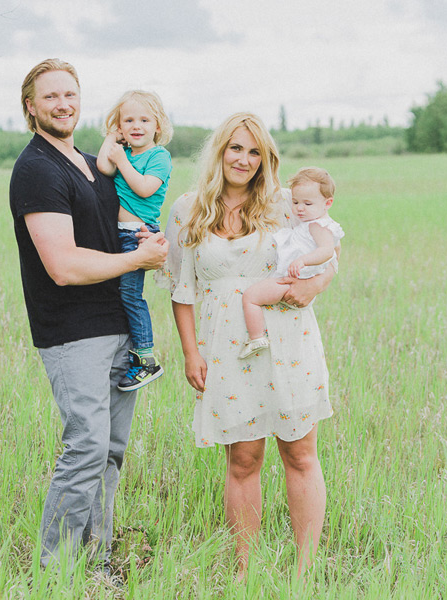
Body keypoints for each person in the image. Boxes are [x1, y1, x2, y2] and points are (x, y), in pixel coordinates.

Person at [156, 112, 339, 578]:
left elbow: (328, 252)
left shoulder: (283, 204)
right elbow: (182, 289)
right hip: (226, 349)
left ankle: (305, 569)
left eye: (255, 151)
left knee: (299, 452)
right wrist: (190, 351)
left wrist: (315, 287)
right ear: (220, 150)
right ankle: (246, 569)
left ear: (267, 158)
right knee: (243, 458)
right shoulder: (187, 209)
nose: (244, 159)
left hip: (287, 339)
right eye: (236, 148)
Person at [8, 58, 167, 574]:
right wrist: (137, 260)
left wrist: (144, 238)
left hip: (117, 323)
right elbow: (63, 265)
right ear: (31, 106)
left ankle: (97, 562)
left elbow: (119, 223)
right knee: (86, 446)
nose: (63, 104)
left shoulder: (92, 160)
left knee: (112, 450)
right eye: (50, 96)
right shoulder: (36, 169)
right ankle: (55, 571)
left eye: (70, 94)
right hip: (72, 332)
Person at [96, 90, 174, 391]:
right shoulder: (123, 154)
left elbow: (143, 188)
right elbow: (104, 166)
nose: (136, 125)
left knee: (131, 295)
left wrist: (121, 159)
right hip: (117, 235)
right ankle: (126, 349)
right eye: (128, 120)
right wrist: (111, 141)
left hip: (139, 236)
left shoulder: (159, 157)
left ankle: (146, 359)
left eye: (144, 119)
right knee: (116, 293)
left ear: (158, 125)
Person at [239, 167, 344, 359]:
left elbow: (328, 251)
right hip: (293, 279)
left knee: (251, 296)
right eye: (295, 202)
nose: (299, 208)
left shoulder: (318, 226)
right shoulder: (310, 223)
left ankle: (257, 337)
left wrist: (303, 261)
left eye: (307, 203)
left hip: (293, 281)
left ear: (327, 203)